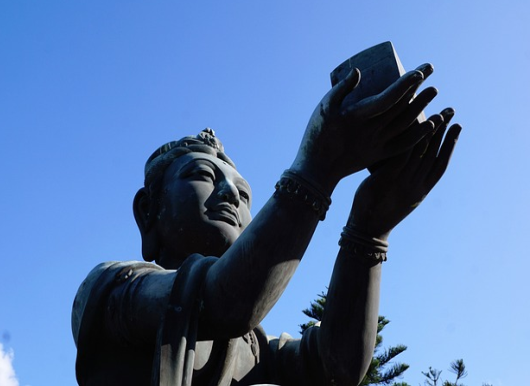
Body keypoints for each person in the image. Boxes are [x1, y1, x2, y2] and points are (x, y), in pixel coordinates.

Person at [72, 63, 461, 386]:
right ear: (148, 212)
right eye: (203, 175)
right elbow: (222, 303)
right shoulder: (114, 291)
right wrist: (317, 169)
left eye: (244, 194)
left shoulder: (254, 348)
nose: (230, 194)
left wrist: (369, 230)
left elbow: (334, 367)